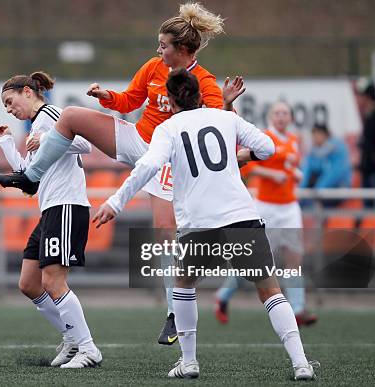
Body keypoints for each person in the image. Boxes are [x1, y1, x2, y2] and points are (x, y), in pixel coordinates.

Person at [0, 2, 245, 345]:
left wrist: (227, 104)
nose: (158, 50)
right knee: (71, 116)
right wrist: (106, 96)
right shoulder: (154, 67)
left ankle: (174, 312)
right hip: (137, 139)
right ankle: (31, 176)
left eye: (163, 45)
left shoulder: (206, 83)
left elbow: (216, 128)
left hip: (167, 156)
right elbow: (128, 100)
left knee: (165, 233)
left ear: (182, 49)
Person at [93, 69, 316, 380]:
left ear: (169, 101)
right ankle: (301, 364)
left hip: (200, 224)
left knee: (184, 285)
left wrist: (115, 202)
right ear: (200, 95)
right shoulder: (226, 118)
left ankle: (189, 361)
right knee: (269, 290)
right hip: (242, 218)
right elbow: (267, 148)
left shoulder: (168, 128)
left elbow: (148, 166)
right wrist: (240, 154)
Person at [0, 71, 101, 368]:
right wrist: (6, 143)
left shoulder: (51, 114)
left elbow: (86, 144)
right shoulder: (35, 126)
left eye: (10, 100)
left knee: (53, 281)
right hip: (49, 209)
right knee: (29, 283)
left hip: (67, 205)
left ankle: (87, 348)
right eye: (5, 105)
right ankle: (71, 337)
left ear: (28, 92)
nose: (9, 108)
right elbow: (30, 178)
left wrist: (45, 137)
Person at [215, 102, 317, 327]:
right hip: (266, 207)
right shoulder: (264, 137)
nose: (281, 117)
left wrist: (294, 174)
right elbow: (247, 166)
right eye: (277, 113)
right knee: (254, 262)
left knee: (294, 258)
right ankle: (223, 296)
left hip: (290, 206)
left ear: (290, 118)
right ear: (271, 117)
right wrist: (271, 174)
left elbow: (289, 166)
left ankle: (298, 309)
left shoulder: (293, 140)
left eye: (285, 113)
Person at [300, 124, 352, 207]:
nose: (314, 139)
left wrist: (319, 189)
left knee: (317, 201)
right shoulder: (315, 150)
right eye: (313, 136)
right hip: (321, 188)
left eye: (317, 135)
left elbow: (335, 173)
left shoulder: (338, 149)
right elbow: (308, 169)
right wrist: (300, 189)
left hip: (339, 186)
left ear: (324, 135)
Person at [355, 78, 375, 208]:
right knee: (368, 212)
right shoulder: (368, 114)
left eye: (361, 95)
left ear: (368, 96)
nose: (358, 99)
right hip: (368, 170)